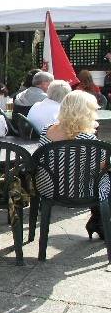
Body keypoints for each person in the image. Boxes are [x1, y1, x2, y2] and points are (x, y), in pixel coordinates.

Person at [35, 90, 109, 240]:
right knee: (104, 178)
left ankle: (98, 221)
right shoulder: (87, 140)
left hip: (49, 188)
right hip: (78, 191)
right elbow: (103, 166)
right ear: (86, 112)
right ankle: (100, 221)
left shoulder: (46, 131)